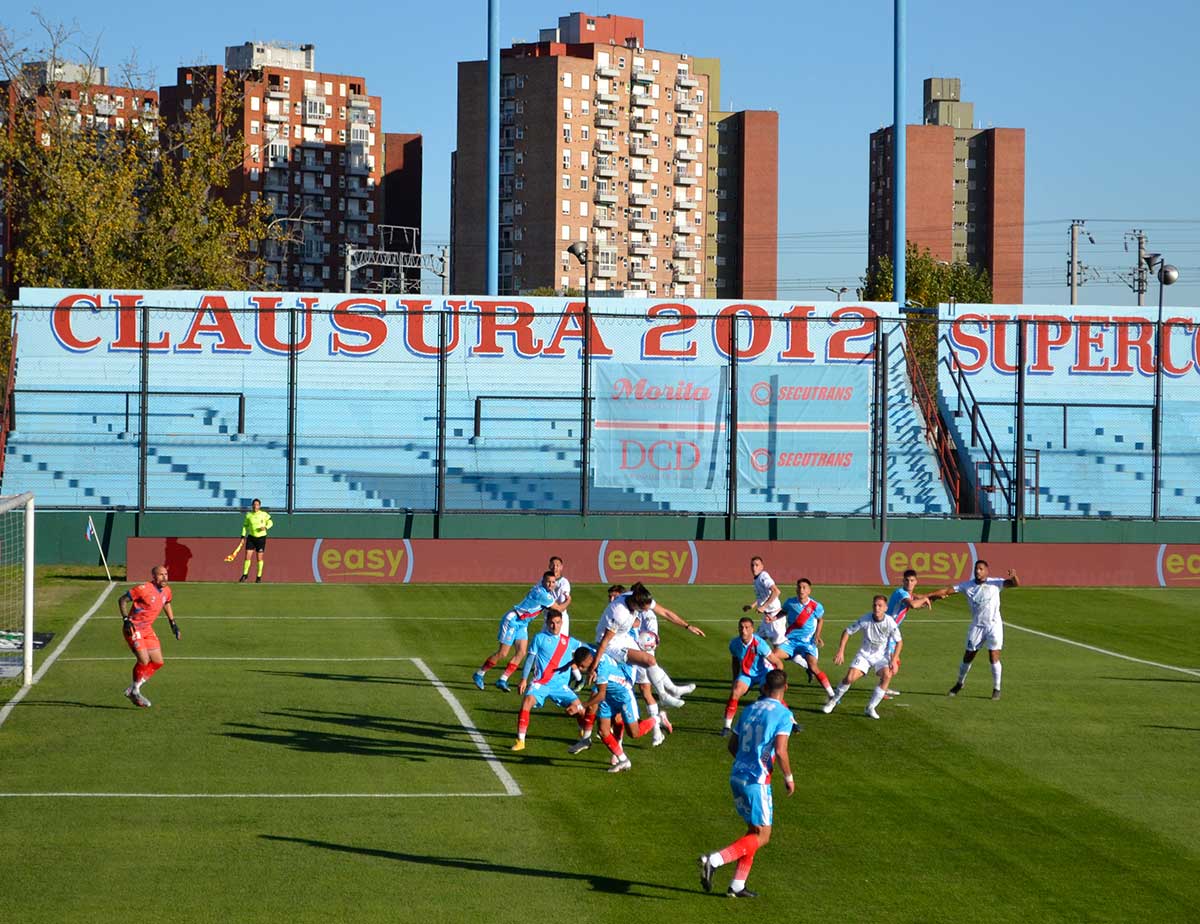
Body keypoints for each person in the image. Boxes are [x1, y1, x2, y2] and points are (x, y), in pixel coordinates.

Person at [699, 668, 795, 899]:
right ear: (786, 688)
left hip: (737, 775)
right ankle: (714, 860)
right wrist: (789, 777)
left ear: (764, 687)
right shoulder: (783, 714)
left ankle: (737, 885)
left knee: (753, 831)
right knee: (763, 835)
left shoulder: (750, 709)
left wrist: (746, 761)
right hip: (757, 780)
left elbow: (732, 745)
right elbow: (781, 751)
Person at [927, 560, 1019, 700]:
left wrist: (1014, 577)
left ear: (987, 571)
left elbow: (1014, 584)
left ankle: (996, 688)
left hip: (993, 626)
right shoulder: (967, 586)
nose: (978, 571)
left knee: (993, 656)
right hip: (977, 626)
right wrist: (929, 596)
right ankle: (959, 683)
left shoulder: (995, 583)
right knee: (968, 656)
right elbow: (947, 591)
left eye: (981, 569)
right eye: (976, 569)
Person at [589, 583, 685, 709]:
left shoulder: (638, 597)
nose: (645, 611)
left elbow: (665, 612)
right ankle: (664, 696)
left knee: (650, 662)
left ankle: (670, 692)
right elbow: (605, 641)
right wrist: (593, 666)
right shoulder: (619, 612)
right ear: (635, 604)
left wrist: (687, 626)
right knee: (649, 660)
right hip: (611, 644)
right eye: (643, 609)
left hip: (623, 637)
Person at [627, 582, 704, 739]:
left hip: (642, 650)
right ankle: (672, 693)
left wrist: (687, 626)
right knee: (644, 689)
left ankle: (657, 724)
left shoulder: (646, 609)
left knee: (644, 689)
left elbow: (666, 615)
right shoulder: (626, 609)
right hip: (631, 649)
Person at [567, 644, 661, 772]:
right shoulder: (593, 655)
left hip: (623, 696)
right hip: (609, 697)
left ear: (590, 660)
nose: (581, 669)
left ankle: (658, 718)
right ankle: (623, 761)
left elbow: (600, 696)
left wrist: (579, 706)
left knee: (634, 733)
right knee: (603, 731)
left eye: (582, 666)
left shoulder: (601, 669)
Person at [473, 572, 568, 692]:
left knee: (521, 652)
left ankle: (503, 679)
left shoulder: (539, 590)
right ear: (543, 581)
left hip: (523, 623)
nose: (551, 584)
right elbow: (559, 609)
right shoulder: (544, 595)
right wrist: (569, 600)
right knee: (503, 653)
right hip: (513, 620)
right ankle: (479, 674)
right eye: (548, 581)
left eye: (553, 582)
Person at [511, 611, 588, 751]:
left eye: (558, 622)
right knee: (527, 701)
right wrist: (523, 679)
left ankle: (584, 736)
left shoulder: (569, 641)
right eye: (552, 623)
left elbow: (588, 649)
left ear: (562, 623)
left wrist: (601, 653)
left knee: (581, 710)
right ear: (547, 623)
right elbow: (530, 659)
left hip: (560, 685)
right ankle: (520, 740)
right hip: (541, 683)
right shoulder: (539, 638)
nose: (554, 626)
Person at [822, 595, 902, 720]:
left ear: (886, 608)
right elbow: (847, 631)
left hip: (881, 657)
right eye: (875, 605)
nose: (877, 608)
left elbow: (899, 642)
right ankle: (833, 701)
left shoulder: (890, 622)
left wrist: (894, 659)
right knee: (849, 678)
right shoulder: (865, 619)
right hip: (864, 655)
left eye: (880, 605)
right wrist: (841, 651)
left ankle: (870, 707)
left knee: (887, 675)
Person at [118, 565, 180, 708]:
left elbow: (167, 603)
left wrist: (173, 623)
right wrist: (126, 620)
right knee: (144, 660)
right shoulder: (143, 589)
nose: (164, 577)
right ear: (154, 576)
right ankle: (135, 690)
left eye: (166, 574)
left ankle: (133, 689)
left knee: (158, 662)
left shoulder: (167, 590)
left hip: (147, 629)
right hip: (134, 628)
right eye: (160, 575)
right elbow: (122, 600)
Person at [722, 617, 785, 736]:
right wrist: (735, 678)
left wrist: (778, 682)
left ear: (752, 629)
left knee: (772, 695)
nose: (743, 630)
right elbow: (735, 660)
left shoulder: (760, 644)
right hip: (746, 675)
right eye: (741, 627)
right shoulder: (734, 644)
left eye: (747, 628)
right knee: (735, 692)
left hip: (762, 674)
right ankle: (726, 726)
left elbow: (778, 663)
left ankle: (792, 722)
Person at [773, 578, 835, 699]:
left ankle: (832, 694)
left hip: (807, 642)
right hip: (791, 641)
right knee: (773, 656)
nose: (801, 590)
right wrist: (773, 618)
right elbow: (783, 612)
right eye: (799, 587)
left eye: (804, 588)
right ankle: (778, 686)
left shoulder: (816, 606)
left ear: (809, 591)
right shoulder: (790, 602)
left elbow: (820, 619)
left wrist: (817, 635)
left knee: (813, 667)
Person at [881, 569, 933, 698]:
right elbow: (913, 605)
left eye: (912, 580)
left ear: (916, 582)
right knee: (893, 664)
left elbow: (916, 598)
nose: (909, 583)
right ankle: (881, 689)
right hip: (887, 631)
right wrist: (924, 600)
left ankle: (883, 688)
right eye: (907, 580)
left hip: (891, 631)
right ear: (902, 581)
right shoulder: (901, 593)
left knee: (893, 662)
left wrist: (928, 598)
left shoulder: (908, 594)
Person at [743, 556, 784, 646]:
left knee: (778, 648)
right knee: (754, 642)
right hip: (766, 617)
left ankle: (804, 660)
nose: (754, 568)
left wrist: (764, 606)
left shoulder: (763, 576)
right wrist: (751, 606)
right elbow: (762, 597)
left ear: (762, 566)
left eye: (757, 565)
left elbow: (776, 591)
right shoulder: (757, 579)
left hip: (774, 618)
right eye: (752, 565)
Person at [238, 498, 273, 583]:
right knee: (247, 556)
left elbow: (271, 522)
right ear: (252, 506)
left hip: (261, 538)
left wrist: (266, 527)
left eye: (257, 504)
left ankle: (258, 577)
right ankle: (245, 575)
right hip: (251, 537)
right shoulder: (248, 515)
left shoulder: (264, 514)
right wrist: (243, 536)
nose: (255, 506)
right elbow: (245, 526)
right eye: (254, 504)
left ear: (259, 506)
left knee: (259, 558)